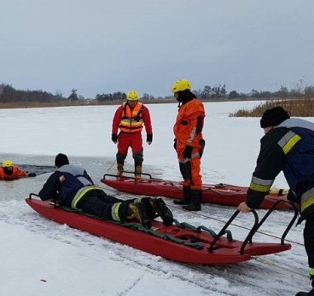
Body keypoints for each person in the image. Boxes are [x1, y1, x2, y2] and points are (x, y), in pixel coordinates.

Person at [237, 106, 314, 296]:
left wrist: (251, 202)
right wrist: (296, 194)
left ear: (270, 126)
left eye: (264, 130)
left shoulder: (277, 136)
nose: (264, 134)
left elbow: (264, 173)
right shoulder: (305, 129)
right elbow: (306, 161)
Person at [38, 153, 173, 227]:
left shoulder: (58, 173)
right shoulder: (80, 169)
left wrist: (57, 194)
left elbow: (44, 195)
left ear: (56, 165)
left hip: (79, 198)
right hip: (94, 190)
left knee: (104, 210)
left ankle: (130, 210)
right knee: (113, 201)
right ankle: (149, 203)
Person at [171, 79, 205, 211]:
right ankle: (187, 198)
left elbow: (196, 128)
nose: (175, 96)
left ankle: (196, 203)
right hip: (182, 145)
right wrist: (176, 140)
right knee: (185, 173)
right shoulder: (185, 105)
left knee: (193, 174)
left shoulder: (195, 106)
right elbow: (183, 127)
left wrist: (190, 145)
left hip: (191, 146)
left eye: (176, 93)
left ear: (183, 92)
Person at [111, 90, 153, 179]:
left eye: (134, 101)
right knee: (121, 154)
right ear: (127, 100)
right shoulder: (121, 109)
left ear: (137, 100)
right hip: (124, 135)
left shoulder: (143, 109)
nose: (132, 103)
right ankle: (119, 171)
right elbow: (115, 122)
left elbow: (148, 123)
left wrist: (149, 135)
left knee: (138, 154)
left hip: (136, 135)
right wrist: (114, 134)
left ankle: (138, 174)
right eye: (130, 101)